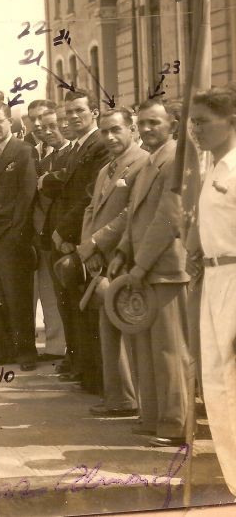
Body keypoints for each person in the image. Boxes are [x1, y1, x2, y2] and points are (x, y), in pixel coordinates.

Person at [105, 99, 192, 447]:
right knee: (145, 348)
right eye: (142, 123)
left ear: (171, 123)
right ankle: (153, 416)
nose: (146, 129)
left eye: (154, 123)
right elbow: (133, 215)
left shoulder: (175, 159)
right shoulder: (148, 163)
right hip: (141, 269)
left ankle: (175, 425)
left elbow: (168, 218)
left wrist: (140, 264)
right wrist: (123, 252)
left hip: (165, 270)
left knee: (169, 351)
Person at [76, 107, 147, 417]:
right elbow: (91, 210)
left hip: (127, 257)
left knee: (130, 330)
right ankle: (118, 398)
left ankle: (133, 398)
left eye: (116, 129)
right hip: (102, 260)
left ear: (132, 129)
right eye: (105, 131)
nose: (110, 136)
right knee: (108, 330)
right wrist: (88, 248)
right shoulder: (106, 169)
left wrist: (97, 241)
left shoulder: (142, 163)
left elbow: (130, 213)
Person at [190, 86, 236, 493]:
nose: (195, 129)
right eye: (193, 122)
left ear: (232, 120)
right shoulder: (215, 168)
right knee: (218, 383)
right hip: (213, 279)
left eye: (203, 121)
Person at [49, 90, 108, 393]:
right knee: (72, 308)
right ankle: (81, 366)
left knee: (85, 308)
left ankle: (92, 374)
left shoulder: (99, 145)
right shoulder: (76, 148)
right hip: (69, 236)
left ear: (94, 112)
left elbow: (89, 194)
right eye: (68, 112)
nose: (72, 117)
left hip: (83, 236)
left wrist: (65, 231)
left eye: (79, 111)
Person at [0, 102, 37, 371]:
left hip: (12, 235)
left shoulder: (24, 151)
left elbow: (26, 196)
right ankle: (2, 350)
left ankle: (26, 352)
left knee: (17, 297)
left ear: (10, 121)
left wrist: (16, 234)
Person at [34, 108, 72, 363]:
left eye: (53, 126)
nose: (48, 132)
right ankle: (56, 347)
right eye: (44, 128)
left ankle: (69, 349)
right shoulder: (43, 160)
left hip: (68, 234)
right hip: (46, 234)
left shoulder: (73, 153)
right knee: (50, 294)